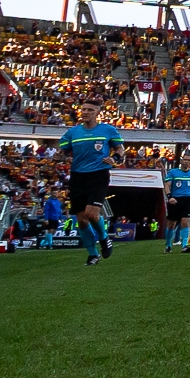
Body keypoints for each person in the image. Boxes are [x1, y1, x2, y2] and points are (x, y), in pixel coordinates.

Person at [57, 104, 122, 266]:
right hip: (78, 177)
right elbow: (62, 150)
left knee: (91, 214)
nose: (85, 112)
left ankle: (104, 238)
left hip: (98, 175)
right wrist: (62, 156)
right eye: (84, 109)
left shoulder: (107, 130)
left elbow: (119, 149)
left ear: (98, 113)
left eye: (90, 110)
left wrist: (115, 158)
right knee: (81, 220)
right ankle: (93, 255)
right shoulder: (73, 132)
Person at [163, 155, 190, 253]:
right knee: (171, 224)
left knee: (185, 222)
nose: (186, 162)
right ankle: (168, 245)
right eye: (185, 160)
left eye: (189, 160)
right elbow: (167, 185)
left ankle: (184, 246)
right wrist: (169, 197)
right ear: (181, 161)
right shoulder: (173, 172)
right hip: (175, 199)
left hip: (188, 200)